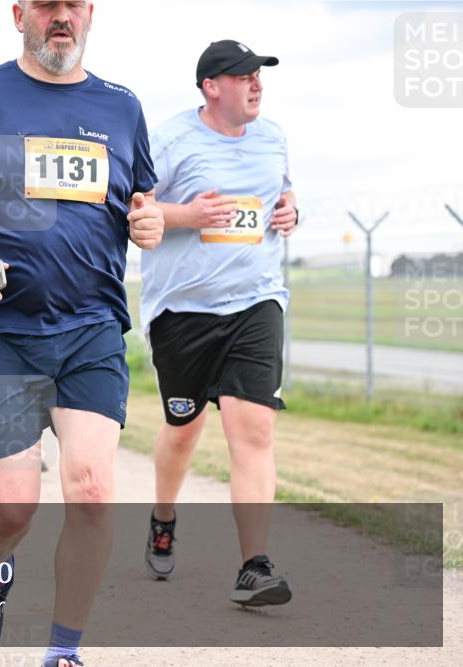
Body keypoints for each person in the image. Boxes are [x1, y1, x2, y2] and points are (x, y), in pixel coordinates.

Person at [0, 2, 164, 664]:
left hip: (91, 327)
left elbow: (141, 201)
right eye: (47, 5)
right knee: (14, 507)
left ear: (90, 14)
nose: (61, 18)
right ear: (19, 12)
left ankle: (63, 650)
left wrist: (151, 220)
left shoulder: (121, 106)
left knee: (92, 488)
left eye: (73, 5)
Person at [139, 39, 298, 607]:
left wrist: (291, 210)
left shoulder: (273, 136)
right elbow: (133, 209)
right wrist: (189, 215)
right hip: (183, 311)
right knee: (184, 430)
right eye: (243, 77)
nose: (256, 85)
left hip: (256, 302)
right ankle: (162, 515)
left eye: (260, 76)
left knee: (253, 428)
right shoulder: (171, 138)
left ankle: (254, 565)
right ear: (212, 86)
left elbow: (282, 193)